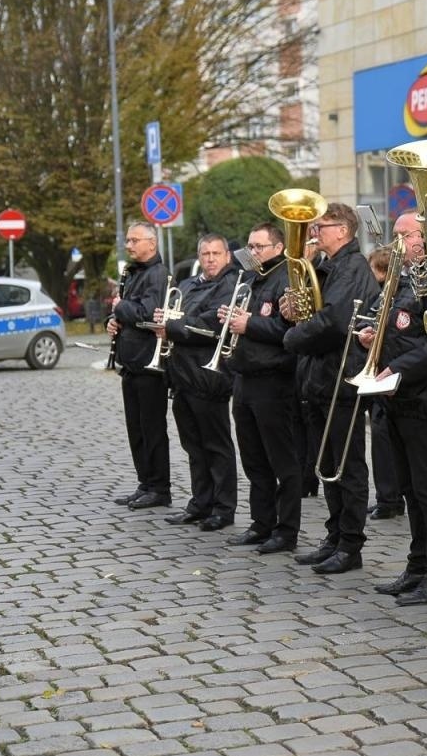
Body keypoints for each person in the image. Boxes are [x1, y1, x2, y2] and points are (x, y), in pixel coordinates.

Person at [365, 211, 427, 606]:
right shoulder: (403, 277)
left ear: (424, 239)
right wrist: (375, 339)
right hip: (397, 396)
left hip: (423, 396)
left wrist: (396, 369)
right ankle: (418, 565)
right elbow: (405, 331)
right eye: (394, 235)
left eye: (403, 235)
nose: (396, 243)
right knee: (408, 488)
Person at [284, 203, 380, 574]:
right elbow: (313, 312)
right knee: (326, 463)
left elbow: (335, 322)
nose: (314, 232)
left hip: (341, 377)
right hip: (320, 376)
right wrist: (290, 310)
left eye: (321, 226)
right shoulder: (328, 266)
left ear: (342, 230)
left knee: (347, 465)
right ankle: (335, 535)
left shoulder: (353, 267)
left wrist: (292, 336)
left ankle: (351, 543)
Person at [222, 223, 302, 555]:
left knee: (281, 460)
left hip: (273, 381)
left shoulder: (287, 279)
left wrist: (248, 323)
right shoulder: (253, 279)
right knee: (254, 459)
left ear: (278, 248)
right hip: (244, 378)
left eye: (259, 247)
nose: (252, 253)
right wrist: (231, 317)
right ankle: (261, 522)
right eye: (250, 247)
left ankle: (286, 530)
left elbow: (289, 329)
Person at [159, 234, 240, 531]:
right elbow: (178, 316)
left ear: (227, 256)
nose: (210, 258)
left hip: (210, 377)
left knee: (216, 446)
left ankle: (223, 507)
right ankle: (200, 502)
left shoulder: (231, 286)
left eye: (216, 253)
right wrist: (167, 320)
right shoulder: (188, 284)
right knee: (193, 445)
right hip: (182, 374)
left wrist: (171, 325)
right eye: (205, 253)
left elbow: (207, 324)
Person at [108, 222, 172, 509]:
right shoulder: (135, 273)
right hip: (131, 363)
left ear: (152, 243)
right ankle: (145, 482)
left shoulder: (157, 274)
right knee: (136, 429)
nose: (129, 245)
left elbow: (147, 314)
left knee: (152, 429)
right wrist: (114, 322)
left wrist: (120, 306)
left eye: (134, 240)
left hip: (149, 365)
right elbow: (129, 314)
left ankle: (159, 488)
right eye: (128, 241)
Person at [364, 246, 406, 522]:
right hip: (380, 374)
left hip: (392, 375)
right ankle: (386, 496)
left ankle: (390, 498)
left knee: (385, 441)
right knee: (381, 441)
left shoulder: (395, 291)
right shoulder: (382, 294)